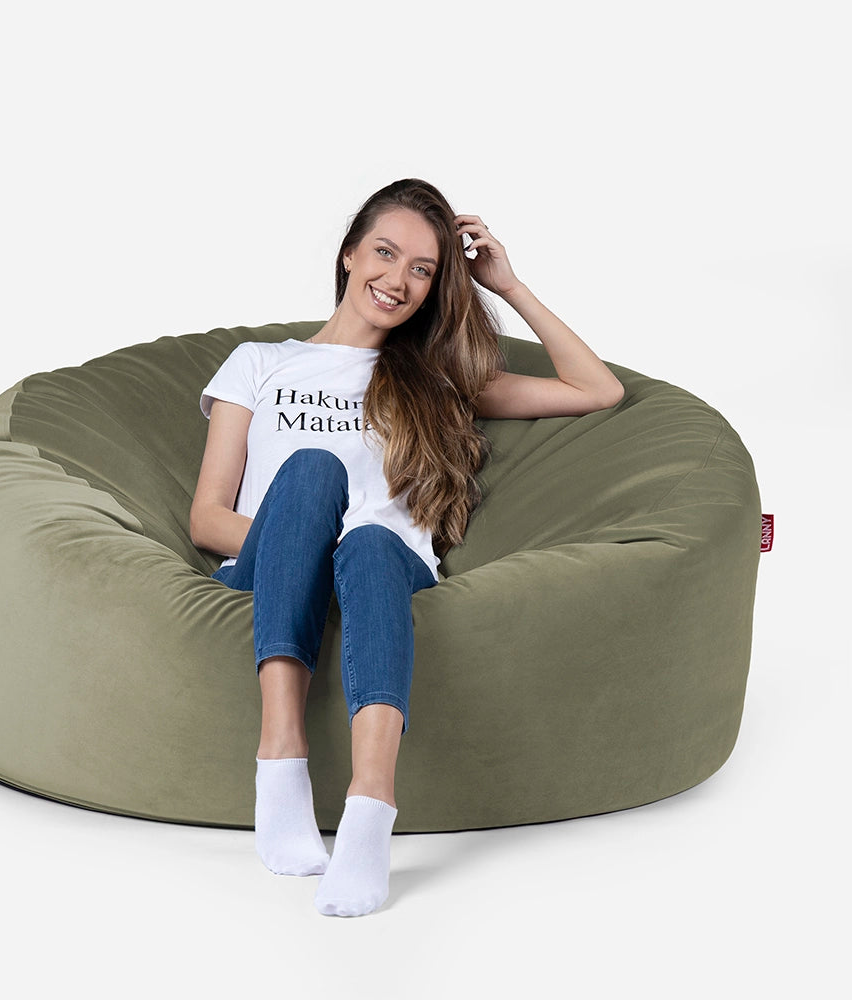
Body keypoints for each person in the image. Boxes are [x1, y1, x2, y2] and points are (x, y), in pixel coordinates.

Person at [189, 178, 624, 917]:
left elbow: (597, 389)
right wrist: (305, 546)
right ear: (350, 254)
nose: (397, 280)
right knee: (312, 471)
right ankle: (281, 755)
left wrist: (507, 284)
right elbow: (207, 517)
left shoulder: (437, 378)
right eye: (385, 254)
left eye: (421, 269)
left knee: (368, 538)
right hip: (273, 561)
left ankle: (369, 809)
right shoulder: (260, 363)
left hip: (382, 567)